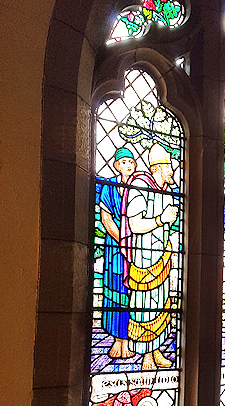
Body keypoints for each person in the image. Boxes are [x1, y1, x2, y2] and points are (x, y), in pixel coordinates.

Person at [120, 143, 179, 370]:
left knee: (161, 305)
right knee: (144, 307)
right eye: (168, 166)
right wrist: (161, 219)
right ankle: (145, 355)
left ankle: (155, 350)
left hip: (161, 258)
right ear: (157, 168)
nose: (172, 171)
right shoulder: (140, 186)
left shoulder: (166, 192)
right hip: (144, 260)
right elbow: (134, 224)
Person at [99, 147, 136, 359]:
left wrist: (133, 242)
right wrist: (122, 240)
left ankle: (129, 339)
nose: (128, 165)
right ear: (116, 166)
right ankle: (117, 339)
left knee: (133, 294)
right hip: (115, 250)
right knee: (114, 292)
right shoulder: (110, 187)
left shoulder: (139, 186)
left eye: (131, 161)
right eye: (123, 162)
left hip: (137, 248)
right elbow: (106, 218)